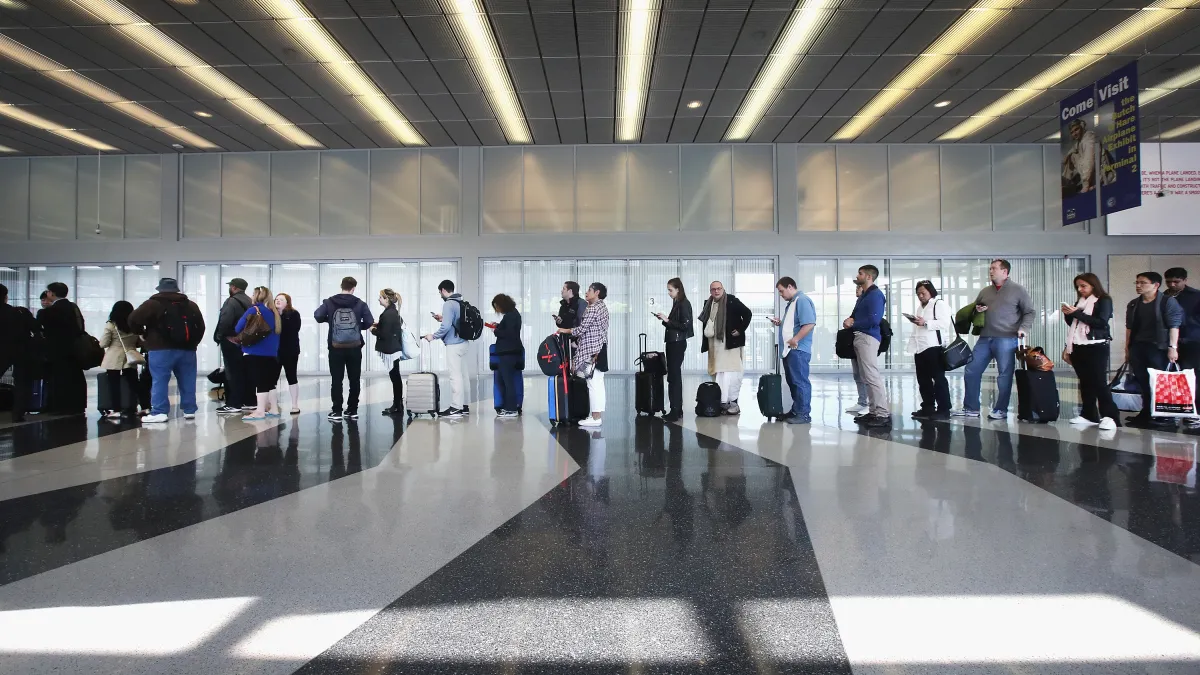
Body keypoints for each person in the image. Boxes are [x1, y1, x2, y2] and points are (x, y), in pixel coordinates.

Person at [954, 259, 1034, 421]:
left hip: (1007, 338)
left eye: (994, 268)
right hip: (985, 338)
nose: (990, 271)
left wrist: (1024, 328)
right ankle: (971, 408)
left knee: (1004, 375)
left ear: (1005, 272)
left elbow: (1029, 312)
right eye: (990, 268)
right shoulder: (985, 291)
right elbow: (976, 311)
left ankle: (1001, 409)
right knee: (971, 370)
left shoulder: (1018, 290)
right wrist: (978, 310)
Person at [128, 278, 205, 423]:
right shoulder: (191, 305)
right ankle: (189, 410)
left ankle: (160, 412)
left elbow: (133, 319)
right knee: (188, 379)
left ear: (159, 289)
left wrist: (142, 334)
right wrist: (193, 343)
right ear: (176, 289)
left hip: (160, 348)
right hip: (187, 350)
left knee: (160, 380)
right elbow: (201, 327)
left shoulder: (152, 304)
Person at [1125, 271, 1183, 429]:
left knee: (1159, 382)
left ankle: (1164, 416)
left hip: (1158, 348)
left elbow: (1174, 326)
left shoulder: (1167, 302)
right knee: (1142, 381)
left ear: (1156, 285)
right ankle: (1146, 412)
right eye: (1137, 282)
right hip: (1138, 346)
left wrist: (1173, 347)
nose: (1138, 286)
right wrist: (1127, 348)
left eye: (1143, 283)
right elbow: (1129, 328)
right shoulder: (1134, 304)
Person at [1061, 273, 1118, 431]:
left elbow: (1101, 322)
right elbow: (1074, 323)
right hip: (1078, 345)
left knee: (1099, 382)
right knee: (1085, 381)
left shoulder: (1104, 300)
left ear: (1093, 285)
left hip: (1096, 345)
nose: (1080, 289)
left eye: (1083, 286)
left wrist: (1076, 313)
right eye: (1078, 287)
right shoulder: (1081, 302)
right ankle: (1089, 414)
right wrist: (1068, 314)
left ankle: (1110, 416)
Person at [315, 276, 373, 421]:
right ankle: (352, 410)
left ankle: (336, 411)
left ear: (341, 286)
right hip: (355, 347)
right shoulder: (360, 303)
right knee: (355, 379)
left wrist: (329, 320)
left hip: (335, 347)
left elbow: (318, 315)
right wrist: (358, 326)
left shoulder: (329, 302)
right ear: (353, 288)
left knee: (336, 379)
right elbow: (369, 321)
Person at [558, 282, 610, 428]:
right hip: (600, 348)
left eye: (589, 290)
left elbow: (581, 329)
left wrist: (565, 330)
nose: (586, 292)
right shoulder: (602, 307)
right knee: (597, 383)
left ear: (597, 292)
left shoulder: (593, 308)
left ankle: (595, 418)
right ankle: (596, 415)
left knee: (593, 384)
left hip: (593, 350)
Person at [697, 281, 753, 415]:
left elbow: (747, 313)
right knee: (718, 373)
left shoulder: (731, 301)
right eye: (713, 289)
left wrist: (740, 330)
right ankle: (721, 402)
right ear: (710, 291)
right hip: (714, 344)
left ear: (723, 289)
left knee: (731, 373)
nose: (716, 291)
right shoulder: (708, 303)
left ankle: (733, 402)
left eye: (719, 288)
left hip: (730, 344)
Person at [843, 265, 889, 427]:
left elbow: (874, 320)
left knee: (871, 375)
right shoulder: (865, 295)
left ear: (869, 277)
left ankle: (882, 413)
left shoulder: (876, 295)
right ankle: (873, 411)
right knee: (866, 377)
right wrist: (850, 320)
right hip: (860, 337)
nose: (857, 276)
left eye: (860, 273)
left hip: (868, 338)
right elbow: (856, 315)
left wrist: (853, 323)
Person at [771, 277, 816, 425]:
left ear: (790, 286)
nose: (781, 294)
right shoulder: (792, 303)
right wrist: (780, 323)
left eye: (782, 291)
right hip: (790, 350)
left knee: (800, 382)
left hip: (798, 350)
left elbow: (809, 323)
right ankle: (796, 410)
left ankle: (803, 414)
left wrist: (796, 339)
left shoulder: (802, 300)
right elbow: (793, 325)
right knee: (793, 382)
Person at [37, 282, 87, 415]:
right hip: (75, 349)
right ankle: (77, 405)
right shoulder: (73, 307)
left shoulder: (47, 312)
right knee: (74, 377)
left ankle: (60, 407)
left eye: (48, 291)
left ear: (52, 293)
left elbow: (40, 329)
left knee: (59, 379)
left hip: (56, 351)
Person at [423, 280, 470, 419]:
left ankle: (456, 407)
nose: (440, 295)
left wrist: (433, 336)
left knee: (455, 376)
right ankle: (464, 406)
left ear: (443, 290)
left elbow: (446, 326)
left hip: (454, 344)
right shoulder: (460, 302)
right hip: (463, 343)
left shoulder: (448, 304)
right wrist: (443, 318)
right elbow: (455, 321)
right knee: (464, 375)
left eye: (440, 292)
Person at [235, 286, 282, 421]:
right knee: (269, 382)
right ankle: (274, 409)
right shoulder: (274, 313)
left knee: (260, 382)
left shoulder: (253, 310)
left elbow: (237, 328)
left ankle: (260, 411)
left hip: (254, 352)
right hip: (272, 354)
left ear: (256, 296)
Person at [908, 280, 953, 420]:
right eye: (918, 294)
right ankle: (927, 407)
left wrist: (926, 322)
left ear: (930, 291)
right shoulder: (920, 307)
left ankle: (944, 409)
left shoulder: (938, 304)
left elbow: (945, 323)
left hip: (934, 346)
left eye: (923, 293)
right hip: (920, 347)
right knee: (923, 380)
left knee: (938, 379)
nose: (920, 296)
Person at [1164, 268, 1200, 429]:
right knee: (1173, 377)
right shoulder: (1164, 296)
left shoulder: (1196, 296)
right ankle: (1175, 410)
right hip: (1170, 342)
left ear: (1185, 280)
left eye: (1176, 282)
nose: (1172, 285)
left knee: (1193, 377)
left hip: (1192, 341)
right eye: (1169, 281)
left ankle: (1195, 412)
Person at [98, 300, 147, 419]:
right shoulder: (135, 325)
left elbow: (103, 344)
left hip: (113, 357)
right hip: (130, 356)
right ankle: (145, 406)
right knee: (134, 383)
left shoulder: (111, 325)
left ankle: (116, 410)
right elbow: (140, 343)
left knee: (113, 385)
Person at [654, 277, 693, 422]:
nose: (669, 293)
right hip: (673, 342)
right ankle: (677, 409)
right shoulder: (678, 303)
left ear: (678, 289)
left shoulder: (683, 304)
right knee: (673, 376)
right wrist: (666, 321)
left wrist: (667, 320)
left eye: (670, 290)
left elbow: (684, 326)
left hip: (677, 343)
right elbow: (677, 324)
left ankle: (675, 410)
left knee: (674, 377)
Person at [213, 278, 252, 415]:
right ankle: (248, 401)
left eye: (230, 286)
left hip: (231, 341)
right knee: (245, 372)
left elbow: (225, 322)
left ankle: (234, 403)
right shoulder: (250, 301)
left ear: (234, 287)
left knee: (233, 372)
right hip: (246, 342)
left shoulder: (231, 301)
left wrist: (219, 336)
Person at [0, 283, 37, 422]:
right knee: (22, 382)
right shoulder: (20, 312)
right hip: (22, 351)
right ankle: (18, 413)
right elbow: (36, 327)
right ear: (6, 297)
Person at [372, 288, 405, 417]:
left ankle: (397, 405)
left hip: (391, 349)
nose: (379, 299)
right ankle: (397, 404)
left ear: (386, 299)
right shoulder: (392, 312)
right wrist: (379, 325)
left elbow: (384, 334)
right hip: (394, 347)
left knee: (395, 377)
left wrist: (372, 329)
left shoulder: (388, 314)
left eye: (380, 297)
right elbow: (389, 328)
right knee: (395, 377)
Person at [491, 293, 523, 419]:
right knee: (506, 380)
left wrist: (496, 331)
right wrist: (498, 326)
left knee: (508, 381)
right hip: (511, 351)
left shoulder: (510, 316)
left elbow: (508, 334)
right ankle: (509, 407)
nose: (497, 310)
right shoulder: (513, 314)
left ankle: (511, 409)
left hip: (508, 352)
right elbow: (509, 329)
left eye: (496, 306)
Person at [844, 284, 871, 416]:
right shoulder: (859, 303)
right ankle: (862, 401)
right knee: (857, 374)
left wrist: (853, 322)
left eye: (858, 287)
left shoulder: (869, 301)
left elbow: (870, 320)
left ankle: (870, 403)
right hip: (855, 340)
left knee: (866, 374)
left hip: (865, 339)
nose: (856, 289)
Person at [274, 292, 302, 415]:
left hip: (290, 351)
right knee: (272, 379)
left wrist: (281, 317)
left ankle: (295, 405)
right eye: (276, 299)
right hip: (275, 351)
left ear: (287, 302)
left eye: (281, 299)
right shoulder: (272, 314)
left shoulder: (294, 314)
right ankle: (273, 406)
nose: (278, 301)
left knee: (291, 377)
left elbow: (294, 329)